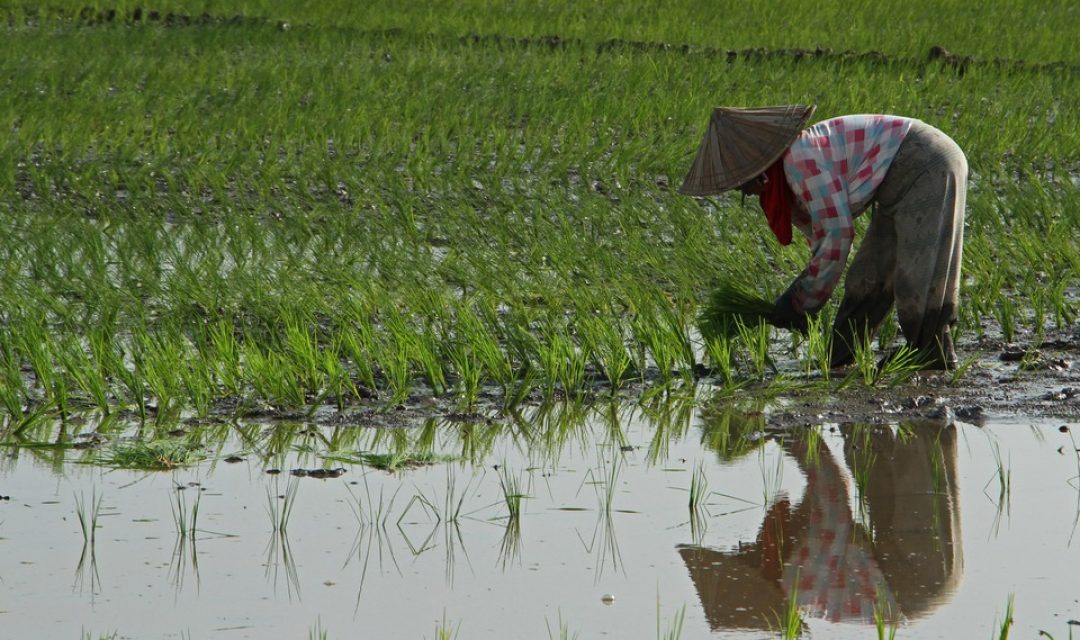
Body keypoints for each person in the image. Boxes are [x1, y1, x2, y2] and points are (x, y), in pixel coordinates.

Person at [680, 105, 967, 370]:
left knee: (917, 276)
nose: (749, 194)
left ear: (759, 173)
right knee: (866, 278)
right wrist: (800, 298)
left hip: (924, 160)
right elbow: (825, 239)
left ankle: (933, 355)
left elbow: (837, 236)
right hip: (897, 180)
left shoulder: (798, 161)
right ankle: (839, 360)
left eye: (744, 187)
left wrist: (800, 302)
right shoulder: (789, 171)